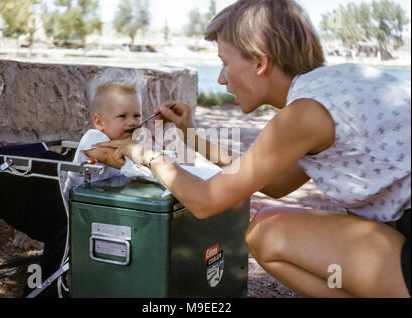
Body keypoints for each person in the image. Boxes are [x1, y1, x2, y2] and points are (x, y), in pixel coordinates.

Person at [93, 0, 411, 298]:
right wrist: (191, 137)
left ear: (259, 62)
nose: (219, 79)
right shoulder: (336, 86)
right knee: (269, 221)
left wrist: (143, 154)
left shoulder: (305, 113)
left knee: (265, 234)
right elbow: (272, 182)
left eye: (224, 62)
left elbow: (204, 202)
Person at [62, 80, 142, 201]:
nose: (132, 122)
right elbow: (110, 157)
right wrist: (149, 160)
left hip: (107, 200)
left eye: (136, 115)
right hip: (77, 207)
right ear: (99, 122)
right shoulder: (93, 138)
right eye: (122, 116)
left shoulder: (133, 142)